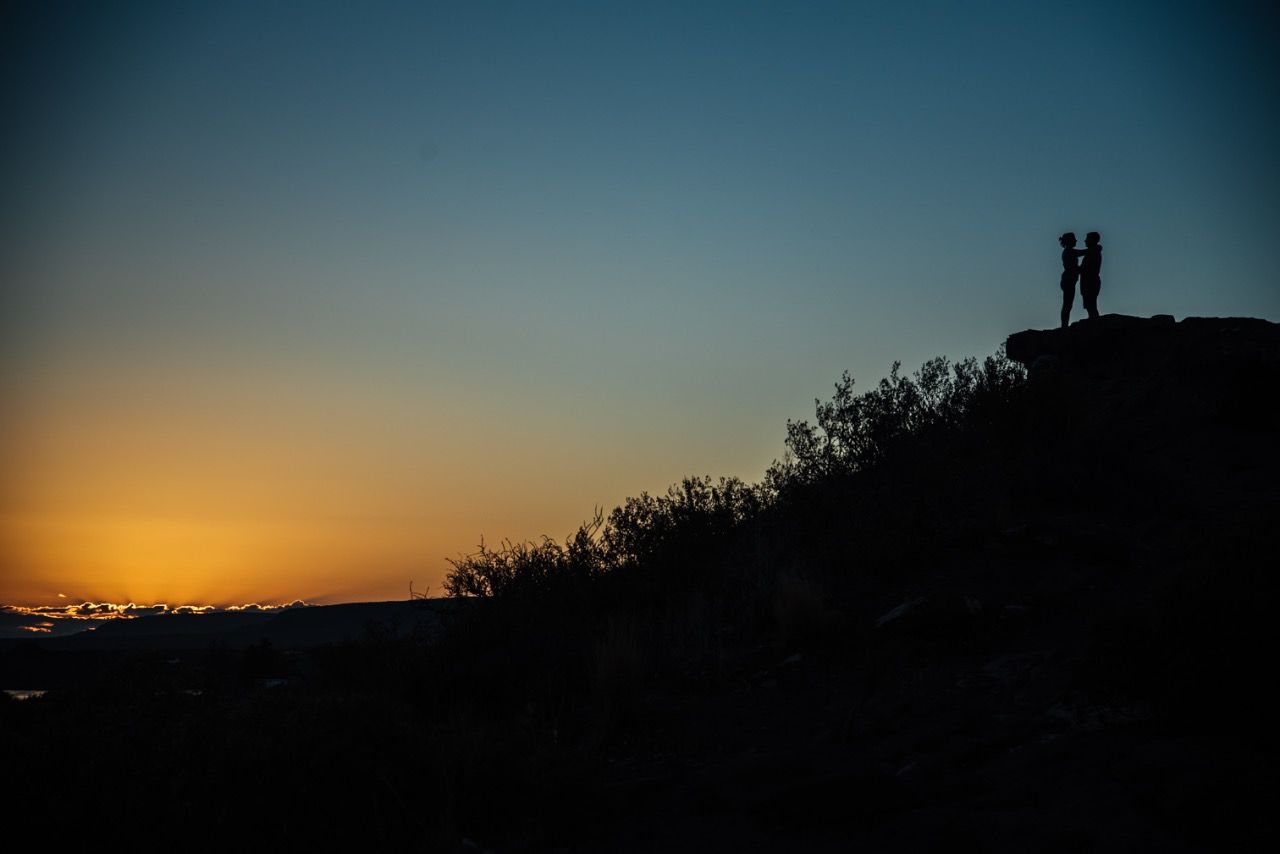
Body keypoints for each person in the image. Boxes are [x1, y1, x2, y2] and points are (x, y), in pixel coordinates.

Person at [1059, 232, 1086, 328]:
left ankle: (1064, 325)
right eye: (1074, 239)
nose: (1076, 241)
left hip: (1069, 279)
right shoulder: (1069, 251)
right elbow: (1083, 252)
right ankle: (1064, 325)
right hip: (1068, 280)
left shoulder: (1069, 251)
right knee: (1067, 304)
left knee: (1068, 303)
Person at [1080, 231, 1103, 319]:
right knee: (1090, 306)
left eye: (1087, 239)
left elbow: (1085, 268)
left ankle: (1094, 324)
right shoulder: (1092, 252)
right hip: (1089, 282)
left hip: (1090, 282)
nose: (1085, 241)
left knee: (1091, 306)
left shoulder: (1093, 253)